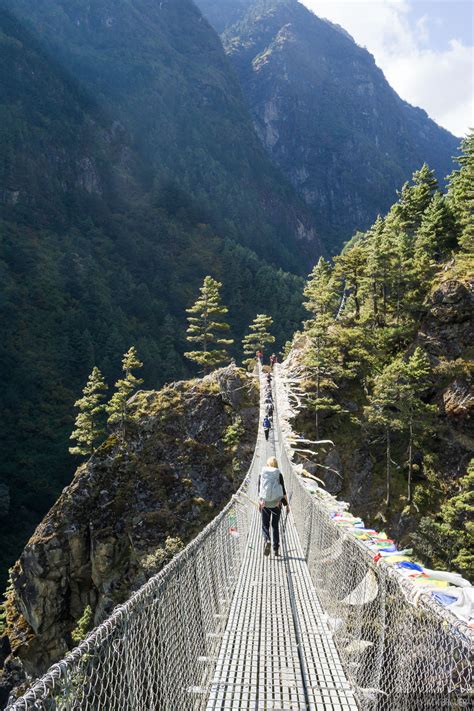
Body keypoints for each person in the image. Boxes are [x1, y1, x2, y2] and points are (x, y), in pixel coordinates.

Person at [258, 457, 288, 557]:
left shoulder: (262, 474)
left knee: (265, 525)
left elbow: (260, 490)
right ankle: (275, 549)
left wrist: (260, 502)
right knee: (275, 526)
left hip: (265, 504)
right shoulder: (279, 474)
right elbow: (283, 492)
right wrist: (287, 505)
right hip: (276, 504)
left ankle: (267, 540)